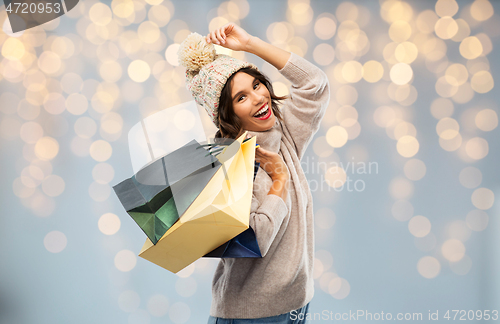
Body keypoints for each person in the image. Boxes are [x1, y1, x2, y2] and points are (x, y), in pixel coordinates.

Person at [178, 23, 330, 324]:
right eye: (241, 98)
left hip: (297, 305)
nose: (259, 98)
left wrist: (250, 43)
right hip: (251, 315)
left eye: (257, 85)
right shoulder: (228, 164)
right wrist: (279, 181)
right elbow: (252, 242)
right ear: (228, 114)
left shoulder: (283, 130)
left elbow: (315, 83)